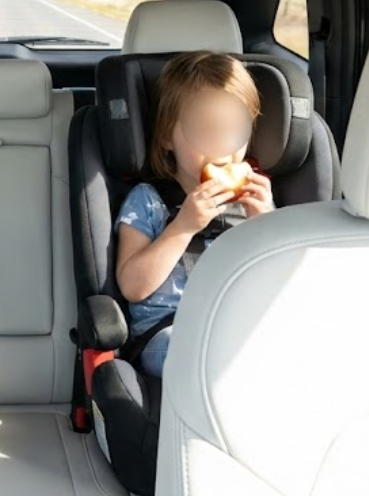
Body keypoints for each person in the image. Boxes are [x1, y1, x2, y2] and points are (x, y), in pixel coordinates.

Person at [115, 51, 274, 378]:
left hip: (237, 323)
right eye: (204, 131)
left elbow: (281, 283)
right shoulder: (149, 200)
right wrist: (183, 227)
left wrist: (266, 225)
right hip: (169, 330)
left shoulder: (254, 201)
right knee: (205, 354)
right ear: (165, 138)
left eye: (232, 130)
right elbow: (132, 286)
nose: (221, 146)